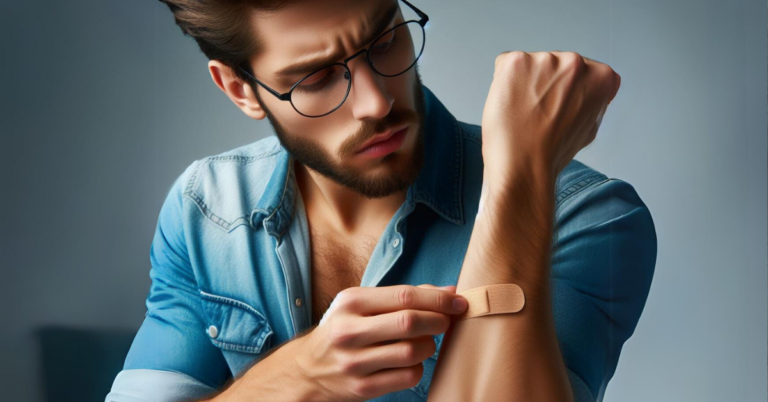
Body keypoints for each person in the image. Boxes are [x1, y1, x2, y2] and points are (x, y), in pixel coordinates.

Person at [106, 0, 657, 401]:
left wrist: (518, 181)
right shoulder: (206, 208)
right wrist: (302, 375)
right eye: (317, 77)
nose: (375, 101)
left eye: (385, 41)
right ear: (239, 88)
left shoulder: (586, 216)